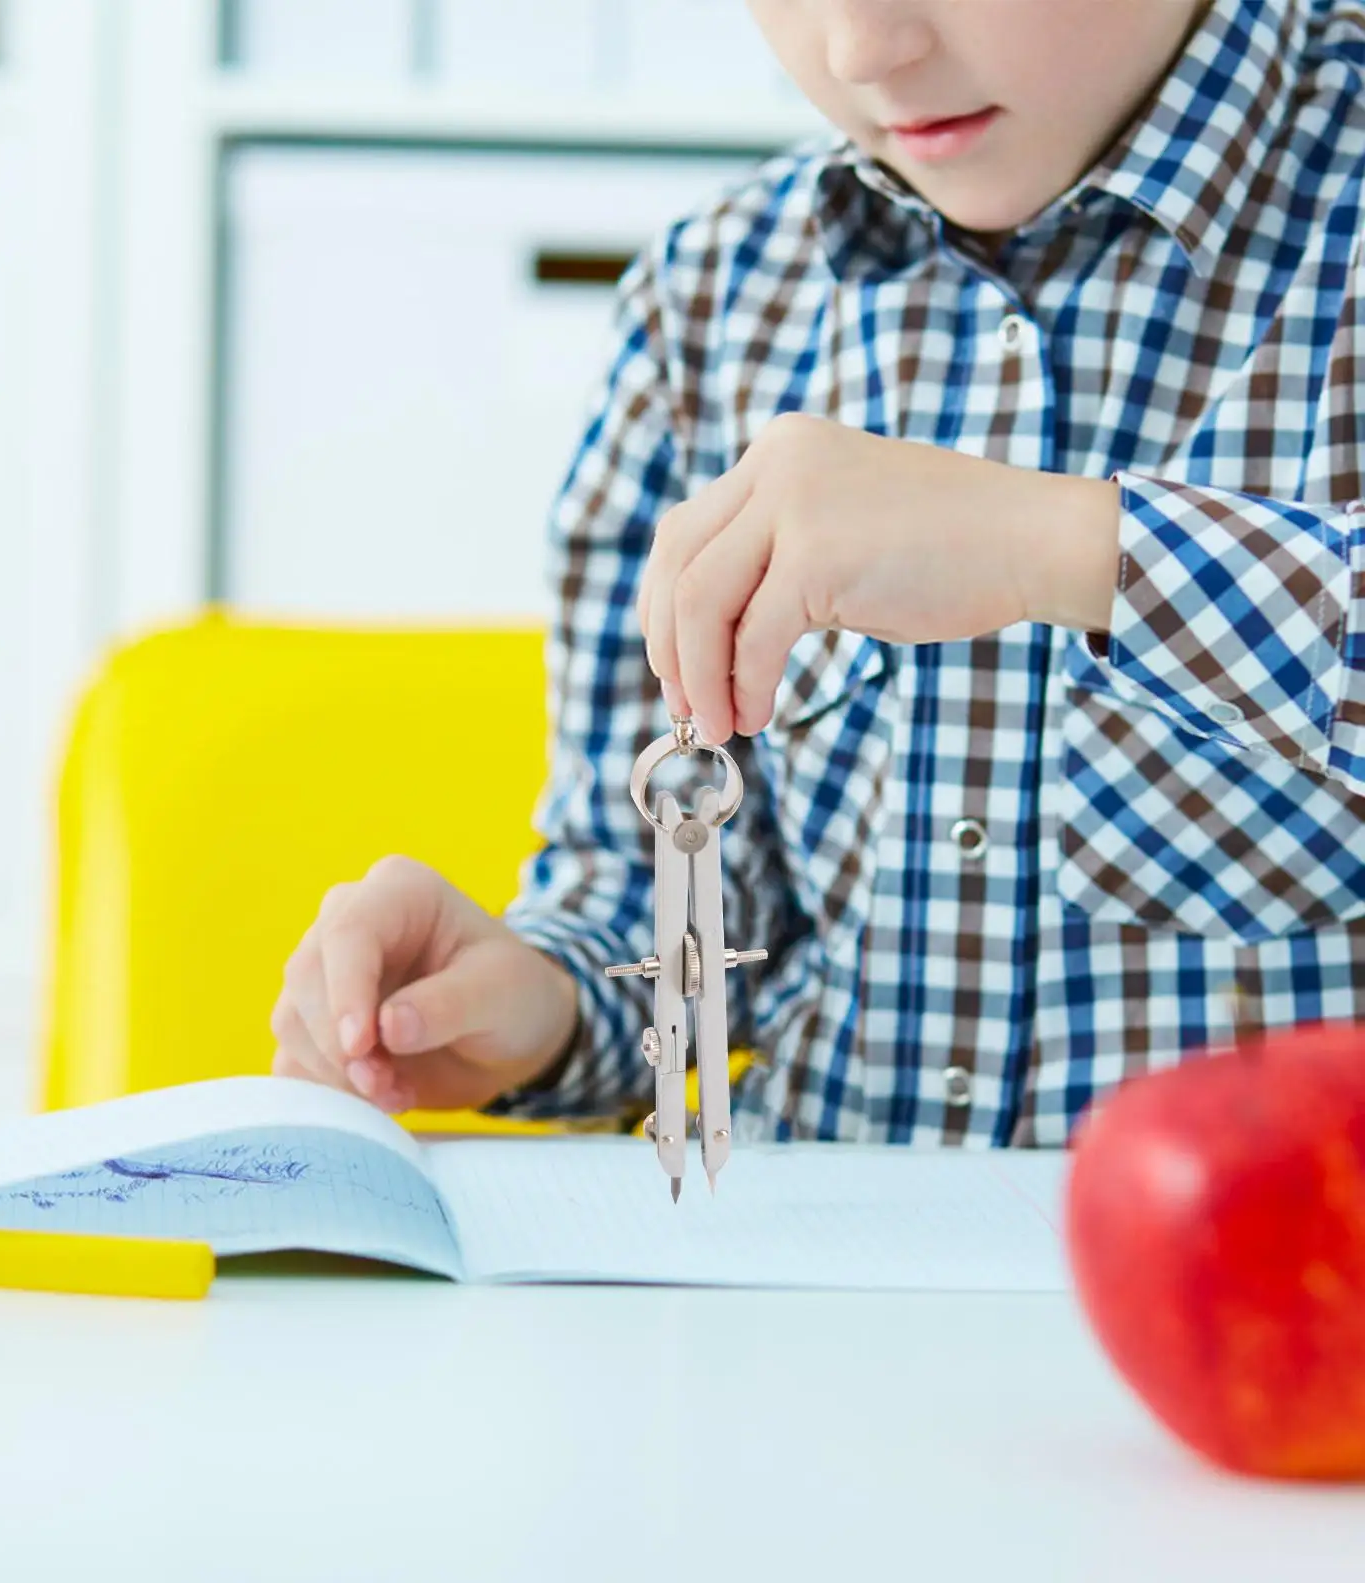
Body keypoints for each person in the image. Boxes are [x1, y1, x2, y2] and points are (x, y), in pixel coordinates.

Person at [272, 0, 1365, 1148]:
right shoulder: (712, 299)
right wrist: (541, 1001)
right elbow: (671, 897)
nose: (860, 50)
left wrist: (1059, 545)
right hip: (797, 1292)